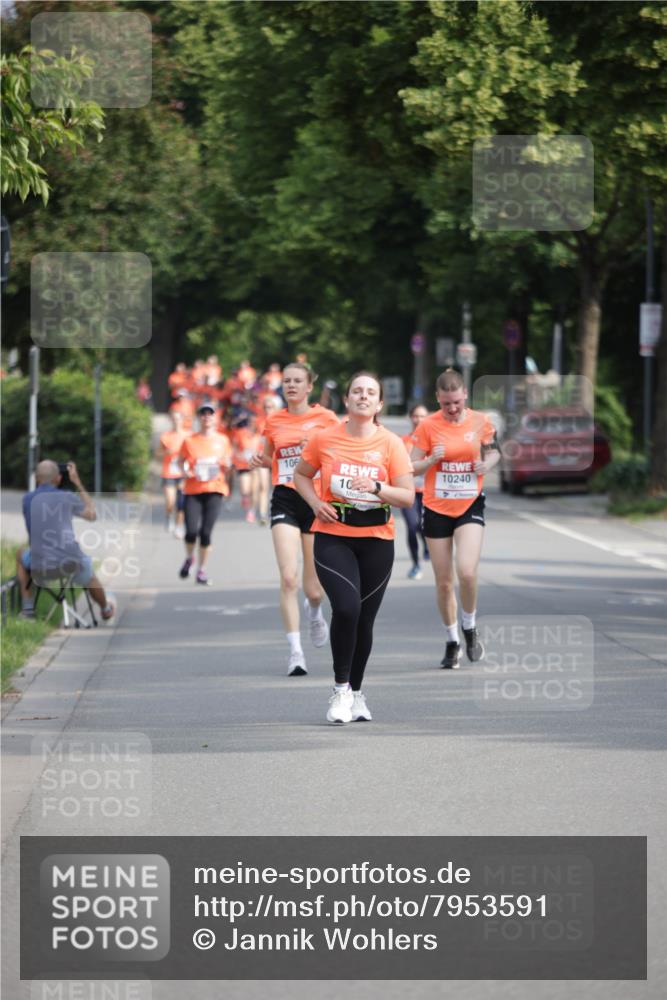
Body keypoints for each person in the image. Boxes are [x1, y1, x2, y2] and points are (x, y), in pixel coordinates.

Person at [294, 371, 414, 723]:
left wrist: (377, 487)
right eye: (356, 391)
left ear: (379, 404)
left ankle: (357, 693)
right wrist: (315, 503)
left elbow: (407, 496)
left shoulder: (391, 443)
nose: (363, 396)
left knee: (365, 620)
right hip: (333, 535)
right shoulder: (323, 438)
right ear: (346, 401)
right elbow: (301, 475)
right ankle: (340, 690)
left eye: (370, 393)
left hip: (377, 539)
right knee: (346, 609)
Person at [250, 362, 338, 676]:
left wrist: (313, 451)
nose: (291, 386)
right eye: (286, 381)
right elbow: (270, 458)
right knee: (288, 578)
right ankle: (295, 652)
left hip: (314, 502)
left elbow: (339, 458)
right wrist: (259, 461)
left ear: (309, 386)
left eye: (297, 381)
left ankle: (314, 611)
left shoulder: (326, 419)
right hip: (285, 499)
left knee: (314, 589)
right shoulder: (273, 421)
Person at [410, 368, 500, 669]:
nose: (451, 409)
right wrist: (430, 460)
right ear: (438, 398)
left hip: (469, 504)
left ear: (465, 397)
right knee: (444, 582)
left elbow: (495, 452)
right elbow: (411, 467)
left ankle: (470, 626)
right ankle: (452, 641)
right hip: (436, 507)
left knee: (467, 572)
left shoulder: (480, 422)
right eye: (446, 404)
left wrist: (486, 465)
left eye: (457, 403)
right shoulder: (427, 426)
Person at [16, 460, 115, 621]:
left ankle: (27, 611)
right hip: (70, 565)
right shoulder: (67, 497)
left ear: (36, 478)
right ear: (59, 478)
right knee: (89, 574)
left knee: (20, 553)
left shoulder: (27, 499)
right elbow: (92, 515)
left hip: (40, 565)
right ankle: (105, 609)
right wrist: (77, 482)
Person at [178, 404, 232, 585]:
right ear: (198, 418)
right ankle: (189, 558)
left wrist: (226, 464)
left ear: (215, 418)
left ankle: (201, 570)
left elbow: (228, 462)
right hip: (193, 490)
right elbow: (181, 462)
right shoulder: (189, 441)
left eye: (210, 414)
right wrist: (185, 472)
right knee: (191, 531)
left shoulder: (222, 440)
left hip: (215, 490)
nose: (206, 417)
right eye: (203, 414)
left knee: (206, 532)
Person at [401, 403, 430, 579]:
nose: (419, 419)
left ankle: (427, 545)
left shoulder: (433, 441)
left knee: (423, 525)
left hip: (428, 492)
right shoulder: (403, 441)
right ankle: (416, 565)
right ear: (410, 418)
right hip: (408, 491)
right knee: (412, 526)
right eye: (416, 416)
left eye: (423, 416)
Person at [157, 411, 187, 536]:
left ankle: (179, 526)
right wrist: (166, 453)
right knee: (170, 501)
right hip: (169, 472)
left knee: (181, 502)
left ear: (182, 420)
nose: (176, 421)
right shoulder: (165, 436)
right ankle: (169, 516)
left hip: (183, 473)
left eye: (178, 419)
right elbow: (158, 454)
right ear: (171, 421)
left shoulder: (188, 435)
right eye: (174, 419)